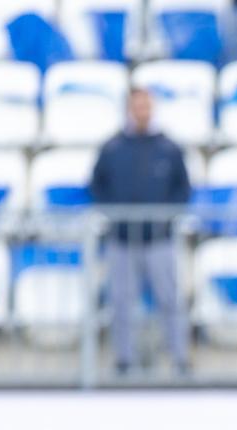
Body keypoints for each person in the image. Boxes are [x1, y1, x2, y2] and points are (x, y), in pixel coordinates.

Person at [89, 87, 192, 377]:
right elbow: (97, 186)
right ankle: (124, 360)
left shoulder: (168, 148)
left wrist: (164, 218)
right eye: (137, 106)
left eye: (146, 106)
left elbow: (182, 188)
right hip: (122, 239)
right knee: (121, 301)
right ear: (129, 109)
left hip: (159, 239)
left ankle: (180, 358)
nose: (142, 111)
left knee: (170, 300)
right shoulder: (112, 148)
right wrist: (116, 217)